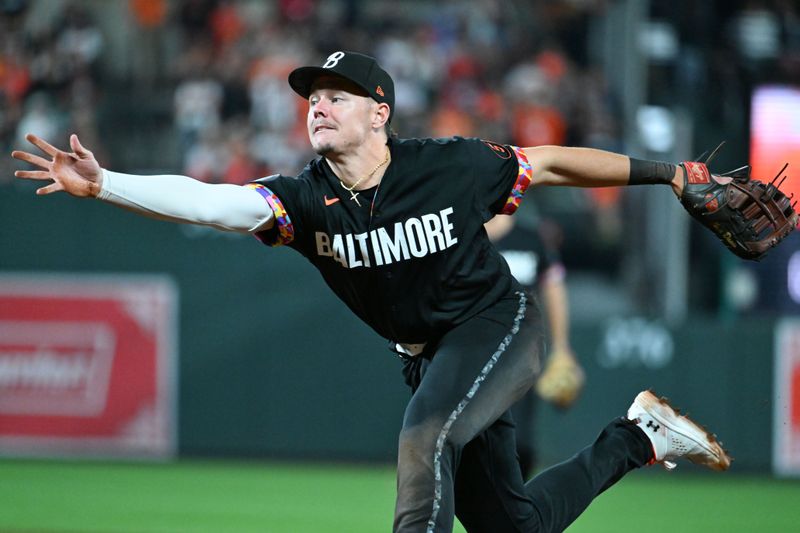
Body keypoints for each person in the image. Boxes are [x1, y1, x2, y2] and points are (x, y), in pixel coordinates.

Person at [13, 51, 730, 533]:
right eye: (311, 99)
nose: (317, 107)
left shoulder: (446, 167)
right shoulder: (306, 200)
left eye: (336, 96)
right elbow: (210, 203)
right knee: (518, 526)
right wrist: (106, 183)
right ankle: (639, 436)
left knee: (426, 435)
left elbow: (546, 163)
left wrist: (669, 173)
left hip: (498, 325)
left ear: (380, 112)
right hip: (429, 357)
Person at [484, 213, 582, 479]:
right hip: (471, 355)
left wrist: (562, 347)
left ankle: (512, 506)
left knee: (519, 445)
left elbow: (554, 287)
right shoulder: (460, 233)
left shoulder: (531, 239)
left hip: (519, 357)